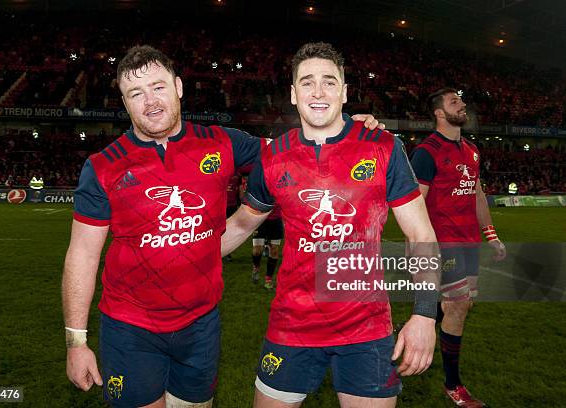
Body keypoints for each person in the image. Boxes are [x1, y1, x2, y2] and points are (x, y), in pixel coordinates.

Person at [62, 45, 383, 408]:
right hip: (131, 327)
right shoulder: (104, 167)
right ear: (124, 101)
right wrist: (77, 341)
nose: (150, 101)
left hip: (201, 324)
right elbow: (83, 255)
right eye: (136, 93)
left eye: (159, 87)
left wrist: (345, 128)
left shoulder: (221, 142)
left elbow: (294, 149)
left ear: (179, 87)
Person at [222, 42, 440, 408]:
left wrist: (424, 314)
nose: (318, 92)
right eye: (307, 82)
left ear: (344, 91)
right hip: (291, 325)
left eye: (328, 81)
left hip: (366, 328)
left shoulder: (384, 146)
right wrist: (184, 255)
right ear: (293, 94)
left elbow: (421, 234)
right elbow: (242, 225)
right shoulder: (274, 156)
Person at [410, 87, 506, 408]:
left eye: (462, 101)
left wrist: (491, 235)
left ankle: (415, 323)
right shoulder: (427, 151)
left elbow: (477, 194)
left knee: (462, 305)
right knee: (458, 306)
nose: (462, 105)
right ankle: (453, 385)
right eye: (454, 102)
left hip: (469, 243)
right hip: (443, 243)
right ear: (439, 112)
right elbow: (415, 203)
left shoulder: (473, 150)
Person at [251, 204, 283, 289]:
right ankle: (256, 267)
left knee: (274, 250)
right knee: (257, 250)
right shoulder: (258, 189)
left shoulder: (280, 189)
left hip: (276, 220)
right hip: (260, 219)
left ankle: (268, 280)